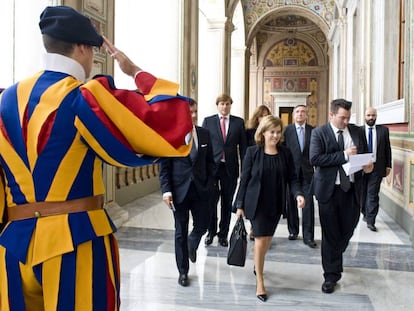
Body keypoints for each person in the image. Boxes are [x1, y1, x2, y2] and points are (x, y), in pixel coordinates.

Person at [0, 6, 192, 310]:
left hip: (13, 247)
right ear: (83, 48)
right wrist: (135, 72)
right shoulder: (83, 97)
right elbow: (172, 128)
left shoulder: (4, 99)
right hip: (76, 243)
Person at [234, 115, 305, 302]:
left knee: (266, 240)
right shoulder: (252, 152)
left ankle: (258, 264)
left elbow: (292, 178)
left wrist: (298, 194)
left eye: (278, 132)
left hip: (276, 203)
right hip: (256, 203)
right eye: (271, 132)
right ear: (263, 133)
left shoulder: (285, 153)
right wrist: (239, 204)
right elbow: (245, 180)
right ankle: (260, 280)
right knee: (259, 240)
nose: (275, 135)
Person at [309, 99, 373, 294]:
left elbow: (366, 155)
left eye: (348, 117)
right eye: (342, 117)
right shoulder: (319, 133)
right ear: (331, 115)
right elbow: (315, 158)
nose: (346, 121)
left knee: (348, 229)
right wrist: (344, 155)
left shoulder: (357, 131)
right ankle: (331, 275)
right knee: (330, 234)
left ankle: (335, 254)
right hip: (328, 191)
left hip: (352, 190)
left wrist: (368, 164)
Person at [159, 99, 215, 287]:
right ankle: (183, 271)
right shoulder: (171, 135)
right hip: (178, 192)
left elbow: (210, 163)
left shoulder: (205, 134)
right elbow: (164, 167)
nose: (193, 115)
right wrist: (166, 190)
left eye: (195, 111)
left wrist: (209, 183)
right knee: (180, 232)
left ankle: (193, 242)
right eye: (189, 112)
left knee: (203, 225)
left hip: (201, 190)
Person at [202, 94, 247, 247]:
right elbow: (204, 146)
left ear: (230, 105)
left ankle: (223, 235)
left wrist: (244, 171)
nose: (224, 106)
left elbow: (243, 148)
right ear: (217, 105)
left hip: (230, 168)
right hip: (212, 168)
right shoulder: (208, 122)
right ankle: (211, 232)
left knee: (227, 203)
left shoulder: (238, 123)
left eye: (227, 104)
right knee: (211, 202)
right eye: (222, 104)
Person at [283, 104, 316, 248]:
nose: (300, 114)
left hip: (308, 173)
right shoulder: (286, 131)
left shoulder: (313, 131)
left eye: (303, 112)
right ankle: (293, 230)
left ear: (306, 115)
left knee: (307, 204)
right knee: (291, 203)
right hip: (291, 172)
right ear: (293, 114)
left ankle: (308, 237)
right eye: (297, 112)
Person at [361, 107, 392, 231]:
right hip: (362, 167)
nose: (371, 118)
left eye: (373, 115)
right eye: (368, 115)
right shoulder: (359, 131)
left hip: (377, 167)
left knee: (372, 194)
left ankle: (371, 220)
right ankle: (365, 212)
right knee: (362, 193)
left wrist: (388, 165)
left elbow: (387, 149)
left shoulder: (383, 130)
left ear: (376, 116)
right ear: (364, 116)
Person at [245, 104, 271, 240]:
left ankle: (263, 229)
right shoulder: (249, 131)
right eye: (261, 116)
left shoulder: (273, 132)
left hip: (268, 168)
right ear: (257, 117)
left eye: (266, 115)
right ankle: (253, 227)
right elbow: (245, 150)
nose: (263, 118)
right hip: (253, 168)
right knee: (253, 198)